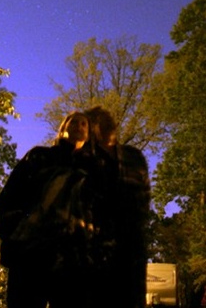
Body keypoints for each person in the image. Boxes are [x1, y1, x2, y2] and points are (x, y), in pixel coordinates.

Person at [0, 111, 95, 308]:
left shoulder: (93, 171)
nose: (79, 126)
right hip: (32, 255)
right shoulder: (39, 157)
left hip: (74, 261)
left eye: (84, 124)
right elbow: (11, 194)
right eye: (74, 122)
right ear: (62, 129)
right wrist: (14, 229)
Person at [85, 106, 151, 308]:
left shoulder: (132, 156)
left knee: (130, 297)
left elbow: (145, 195)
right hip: (96, 247)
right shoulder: (86, 159)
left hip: (131, 245)